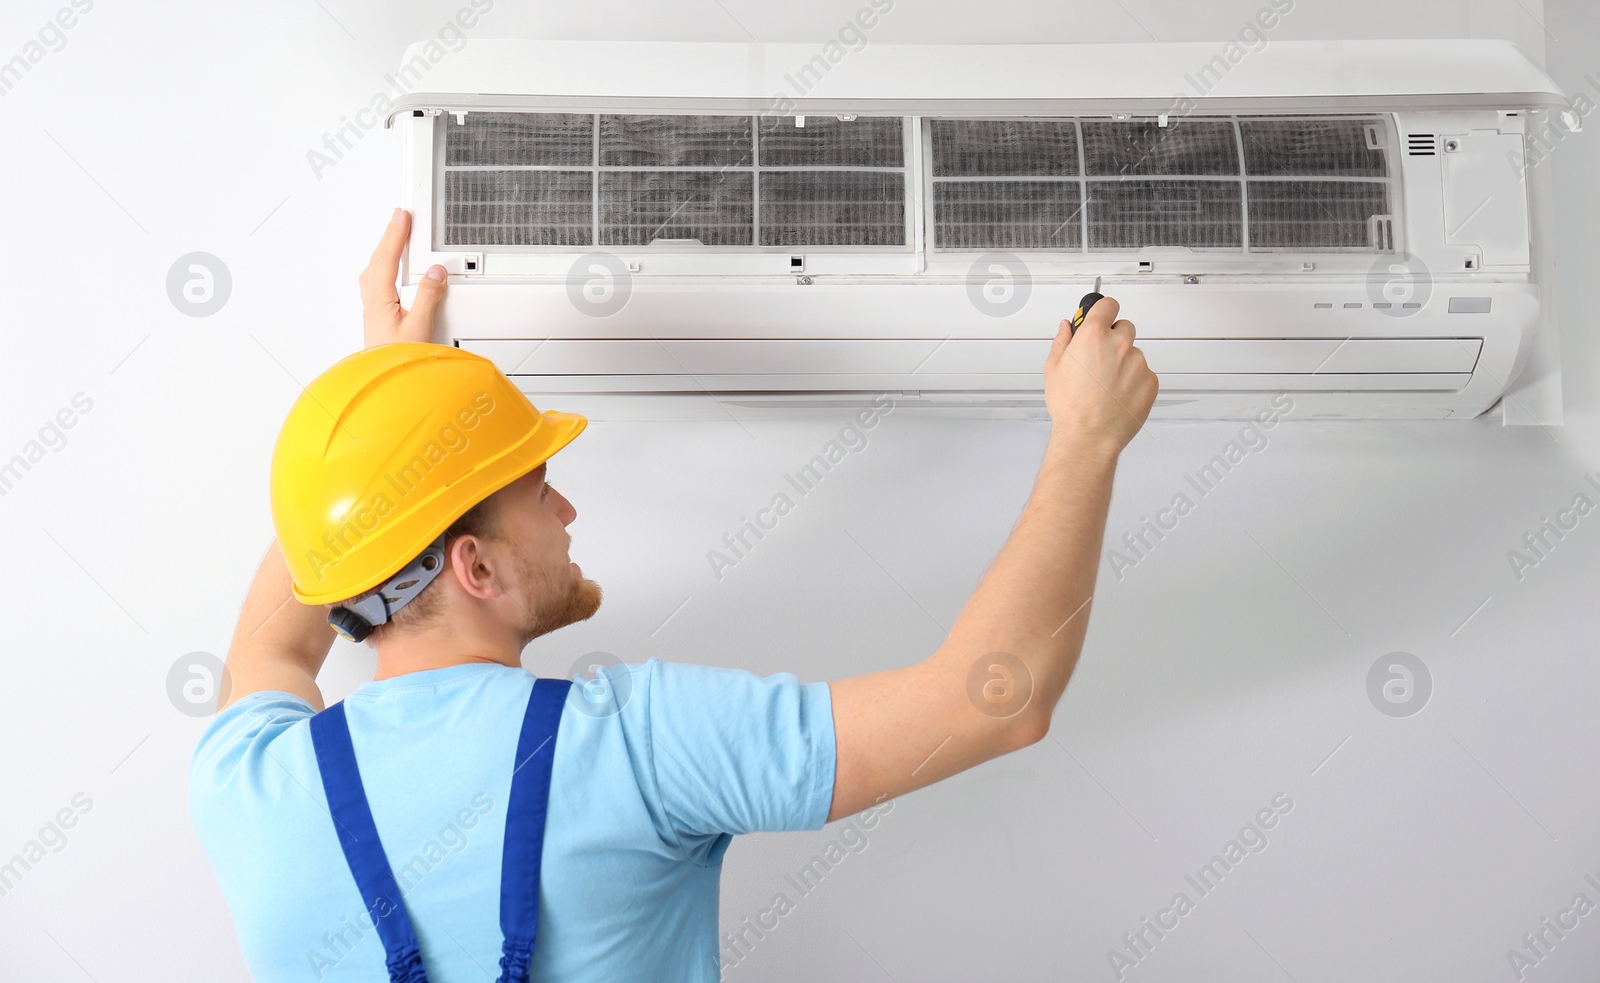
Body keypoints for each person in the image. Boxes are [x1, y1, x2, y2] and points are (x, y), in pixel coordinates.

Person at [188, 208, 1157, 982]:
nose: (566, 508)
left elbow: (276, 647)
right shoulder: (639, 741)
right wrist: (1086, 439)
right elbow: (995, 698)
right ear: (474, 568)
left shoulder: (251, 786)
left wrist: (385, 412)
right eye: (536, 491)